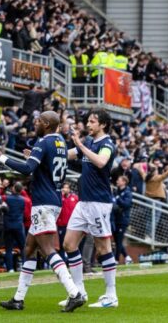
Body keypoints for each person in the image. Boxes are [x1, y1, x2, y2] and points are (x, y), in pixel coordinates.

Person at [0, 110, 86, 312]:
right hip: (54, 199)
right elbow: (44, 167)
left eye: (38, 121)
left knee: (47, 248)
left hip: (43, 203)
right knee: (29, 249)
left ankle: (74, 293)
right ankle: (18, 298)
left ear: (47, 124)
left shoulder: (44, 142)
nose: (35, 123)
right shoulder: (60, 143)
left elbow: (26, 169)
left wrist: (1, 157)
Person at [62, 108, 118, 308]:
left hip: (98, 203)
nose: (88, 124)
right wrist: (49, 154)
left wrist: (81, 146)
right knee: (69, 244)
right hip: (84, 202)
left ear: (102, 124)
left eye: (93, 121)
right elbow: (69, 154)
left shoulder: (106, 144)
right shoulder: (88, 142)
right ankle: (79, 292)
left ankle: (111, 295)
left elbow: (101, 162)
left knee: (103, 248)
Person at [4, 182, 27, 273]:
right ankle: (25, 266)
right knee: (23, 247)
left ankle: (10, 268)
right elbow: (25, 213)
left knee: (8, 248)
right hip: (18, 226)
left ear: (13, 189)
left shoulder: (6, 198)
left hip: (8, 225)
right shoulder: (23, 200)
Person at [112, 175, 133, 264]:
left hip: (123, 219)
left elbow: (126, 204)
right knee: (117, 240)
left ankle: (116, 259)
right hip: (115, 218)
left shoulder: (127, 192)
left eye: (119, 180)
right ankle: (127, 257)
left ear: (124, 182)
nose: (117, 181)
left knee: (119, 240)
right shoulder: (117, 191)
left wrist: (118, 198)